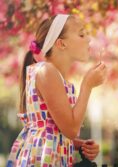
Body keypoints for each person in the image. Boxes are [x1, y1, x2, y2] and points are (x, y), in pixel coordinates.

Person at [7, 14, 107, 166]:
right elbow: (71, 129)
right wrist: (87, 85)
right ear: (61, 44)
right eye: (81, 34)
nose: (88, 39)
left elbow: (53, 131)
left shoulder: (55, 76)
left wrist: (78, 144)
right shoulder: (47, 71)